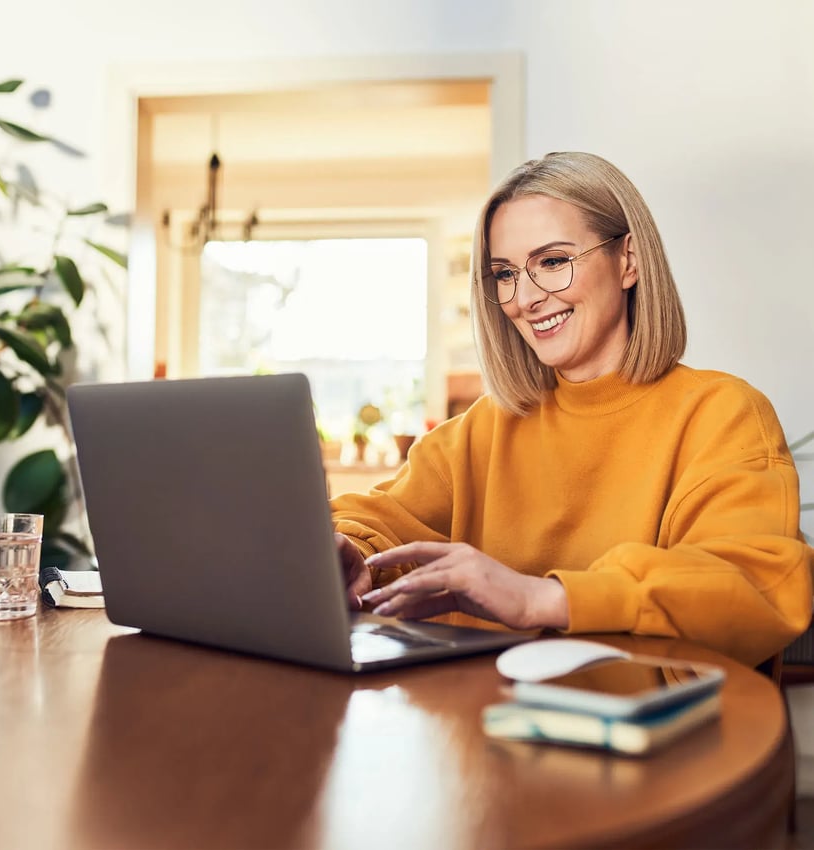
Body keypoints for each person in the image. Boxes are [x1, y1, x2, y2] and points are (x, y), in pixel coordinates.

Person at [330, 151, 812, 667]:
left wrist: (541, 598)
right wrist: (345, 551)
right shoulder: (481, 430)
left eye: (553, 262)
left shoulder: (722, 414)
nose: (525, 298)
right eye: (505, 273)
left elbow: (752, 585)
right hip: (487, 726)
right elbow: (375, 518)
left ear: (629, 260)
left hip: (651, 735)